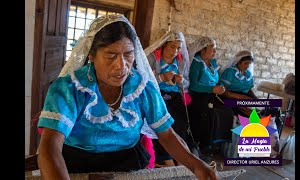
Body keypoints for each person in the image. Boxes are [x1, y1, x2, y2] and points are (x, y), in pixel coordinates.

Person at [36, 15, 217, 180]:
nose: (121, 66)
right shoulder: (69, 88)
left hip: (127, 166)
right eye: (111, 55)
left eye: (128, 54)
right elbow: (50, 145)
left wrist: (198, 166)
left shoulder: (142, 88)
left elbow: (167, 135)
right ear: (91, 55)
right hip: (74, 166)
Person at [144, 31, 192, 167]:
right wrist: (161, 77)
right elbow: (144, 79)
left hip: (174, 94)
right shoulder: (153, 58)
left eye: (178, 48)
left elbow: (187, 83)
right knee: (163, 123)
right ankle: (165, 157)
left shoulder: (180, 61)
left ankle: (180, 155)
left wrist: (180, 81)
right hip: (156, 94)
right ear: (163, 45)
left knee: (180, 123)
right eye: (172, 47)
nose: (175, 51)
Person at [187, 36, 234, 154]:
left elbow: (217, 81)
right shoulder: (196, 63)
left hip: (212, 95)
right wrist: (212, 89)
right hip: (198, 95)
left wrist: (221, 87)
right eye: (212, 49)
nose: (215, 52)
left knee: (227, 111)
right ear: (202, 50)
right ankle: (203, 145)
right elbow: (193, 85)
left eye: (215, 49)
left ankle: (217, 144)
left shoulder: (213, 64)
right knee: (209, 114)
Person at [219, 50, 257, 117]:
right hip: (230, 96)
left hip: (243, 97)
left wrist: (255, 98)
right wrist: (239, 96)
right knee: (247, 112)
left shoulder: (248, 74)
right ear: (238, 62)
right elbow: (223, 91)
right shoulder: (230, 72)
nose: (247, 66)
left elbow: (249, 89)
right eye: (245, 63)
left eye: (249, 63)